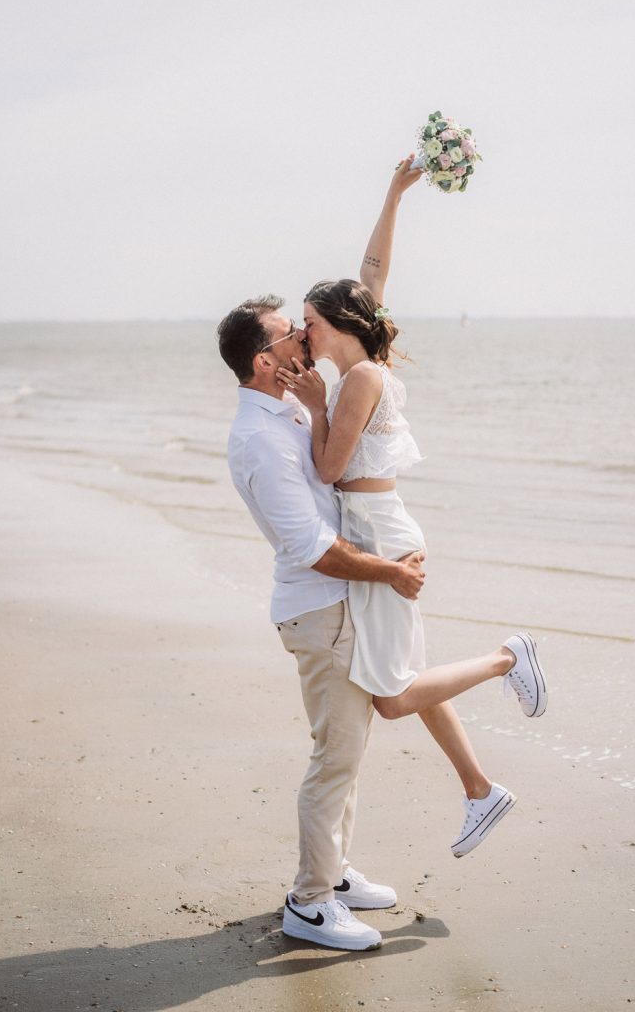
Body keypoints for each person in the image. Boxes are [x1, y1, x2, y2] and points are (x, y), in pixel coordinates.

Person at [275, 155, 548, 862]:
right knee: (405, 677)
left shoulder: (360, 377)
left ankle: (506, 657)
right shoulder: (358, 363)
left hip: (380, 535)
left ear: (339, 323)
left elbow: (329, 470)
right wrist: (394, 193)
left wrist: (313, 408)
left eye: (309, 322)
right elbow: (372, 273)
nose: (303, 333)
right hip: (376, 529)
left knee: (393, 697)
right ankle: (480, 790)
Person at [218, 291, 426, 952]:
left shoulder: (284, 408)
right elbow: (311, 546)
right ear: (263, 360)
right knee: (334, 758)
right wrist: (391, 572)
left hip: (336, 603)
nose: (304, 341)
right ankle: (308, 904)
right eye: (291, 335)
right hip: (320, 606)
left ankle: (332, 873)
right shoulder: (258, 438)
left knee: (347, 751)